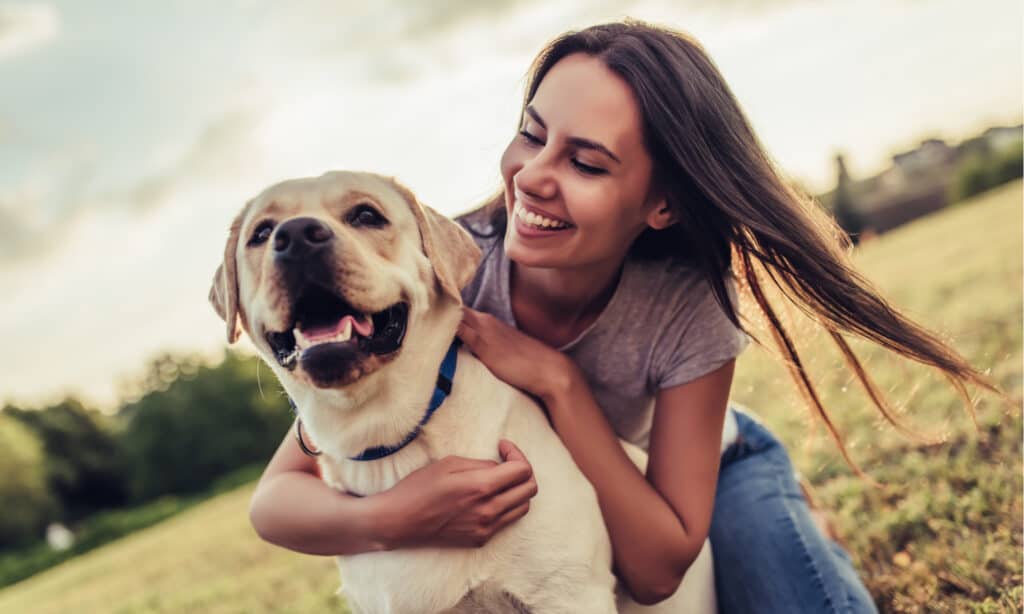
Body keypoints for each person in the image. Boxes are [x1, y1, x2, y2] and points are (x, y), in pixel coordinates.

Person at [249, 21, 995, 613]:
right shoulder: (441, 273)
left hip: (707, 475)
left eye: (588, 163)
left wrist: (559, 384)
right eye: (532, 134)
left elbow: (657, 566)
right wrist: (395, 518)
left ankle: (796, 520)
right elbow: (279, 497)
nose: (533, 177)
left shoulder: (686, 306)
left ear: (662, 203)